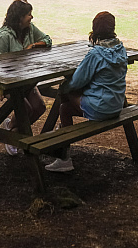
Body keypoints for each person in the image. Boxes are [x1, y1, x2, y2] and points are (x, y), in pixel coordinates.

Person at [45, 11, 127, 173]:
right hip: (117, 105)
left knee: (65, 103)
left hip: (102, 108)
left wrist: (65, 87)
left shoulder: (95, 54)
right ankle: (59, 135)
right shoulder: (121, 48)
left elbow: (77, 81)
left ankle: (64, 156)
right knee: (71, 97)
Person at [0, 0, 52, 156]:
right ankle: (13, 139)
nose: (31, 17)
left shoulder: (30, 29)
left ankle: (12, 131)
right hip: (9, 84)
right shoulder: (4, 37)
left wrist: (33, 46)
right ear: (19, 17)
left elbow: (47, 39)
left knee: (39, 107)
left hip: (27, 81)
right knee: (25, 108)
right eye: (28, 14)